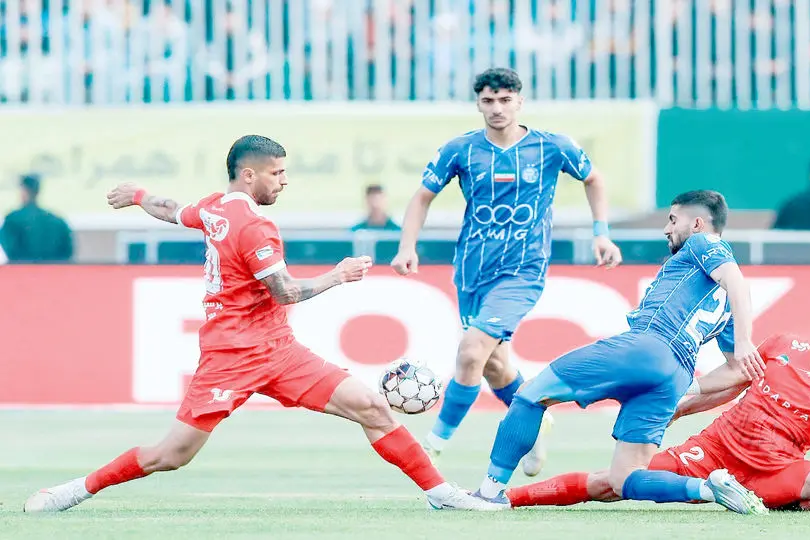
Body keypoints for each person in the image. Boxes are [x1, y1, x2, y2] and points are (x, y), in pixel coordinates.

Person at [23, 135, 500, 513]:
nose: (284, 181)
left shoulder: (214, 206)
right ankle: (74, 490)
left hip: (278, 349)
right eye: (277, 172)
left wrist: (139, 195)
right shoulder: (254, 226)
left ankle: (441, 493)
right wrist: (339, 275)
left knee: (371, 406)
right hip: (231, 356)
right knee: (171, 455)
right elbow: (286, 292)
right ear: (249, 175)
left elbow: (171, 210)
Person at [470, 189, 768, 514]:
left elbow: (736, 280)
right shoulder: (726, 301)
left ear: (697, 223)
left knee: (530, 394)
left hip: (646, 347)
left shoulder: (704, 242)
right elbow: (738, 369)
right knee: (623, 479)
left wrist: (744, 340)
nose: (666, 229)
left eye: (673, 220)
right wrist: (691, 386)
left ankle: (488, 493)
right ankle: (709, 488)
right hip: (674, 376)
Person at [390, 67, 623, 474]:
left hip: (522, 273)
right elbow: (422, 196)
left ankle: (433, 444)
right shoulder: (461, 150)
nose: (496, 108)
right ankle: (536, 419)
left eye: (504, 100)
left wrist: (601, 233)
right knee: (494, 367)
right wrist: (406, 246)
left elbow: (594, 179)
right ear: (478, 104)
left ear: (520, 101)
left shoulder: (551, 147)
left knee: (470, 352)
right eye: (488, 101)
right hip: (471, 272)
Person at [505, 290, 810, 516]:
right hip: (710, 453)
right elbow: (727, 383)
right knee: (612, 482)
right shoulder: (783, 345)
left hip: (771, 470)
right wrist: (676, 407)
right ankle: (505, 499)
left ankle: (755, 500)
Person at [0, 173, 73, 262]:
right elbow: (67, 252)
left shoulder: (12, 219)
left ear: (23, 191)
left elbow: (9, 247)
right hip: (53, 269)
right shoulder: (58, 221)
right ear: (38, 191)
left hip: (21, 269)